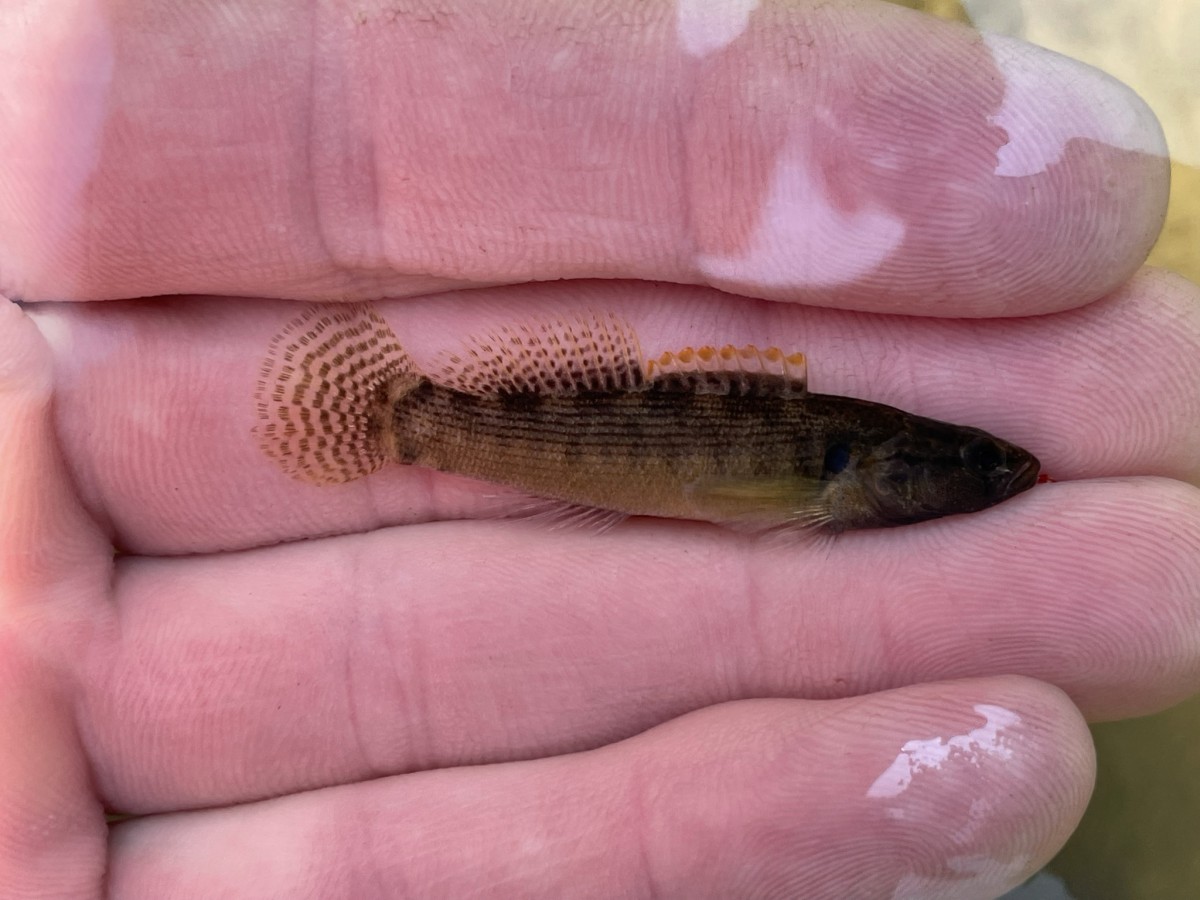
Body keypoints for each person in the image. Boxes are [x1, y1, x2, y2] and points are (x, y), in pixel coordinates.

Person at [1, 2, 1197, 897]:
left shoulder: (847, 466)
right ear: (902, 470)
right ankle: (401, 424)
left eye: (984, 465)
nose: (997, 476)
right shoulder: (834, 470)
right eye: (978, 465)